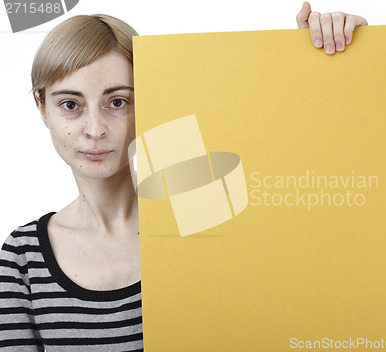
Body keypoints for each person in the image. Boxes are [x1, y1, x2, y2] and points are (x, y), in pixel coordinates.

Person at [0, 2, 367, 351]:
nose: (94, 129)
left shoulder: (207, 220)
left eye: (118, 102)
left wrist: (333, 62)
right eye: (70, 105)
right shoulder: (22, 259)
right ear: (42, 109)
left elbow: (307, 297)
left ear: (151, 99)